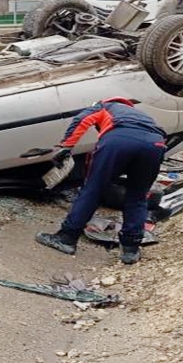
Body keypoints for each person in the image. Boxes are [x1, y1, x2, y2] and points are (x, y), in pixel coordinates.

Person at [35, 97, 167, 265]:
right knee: (138, 196)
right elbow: (158, 137)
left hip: (118, 140)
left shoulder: (105, 106)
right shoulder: (141, 115)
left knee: (92, 190)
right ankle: (131, 249)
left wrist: (66, 146)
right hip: (155, 145)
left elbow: (82, 119)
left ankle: (66, 238)